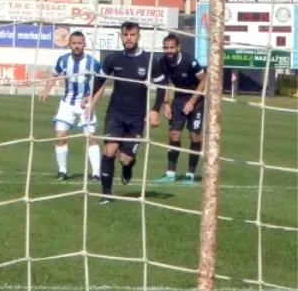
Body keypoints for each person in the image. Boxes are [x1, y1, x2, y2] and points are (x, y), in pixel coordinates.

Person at [87, 21, 167, 204]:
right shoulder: (113, 59)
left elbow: (162, 85)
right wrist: (89, 97)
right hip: (115, 112)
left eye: (132, 35)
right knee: (110, 150)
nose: (129, 38)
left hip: (137, 117)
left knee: (125, 158)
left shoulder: (149, 60)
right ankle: (106, 194)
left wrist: (156, 110)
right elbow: (100, 79)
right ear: (121, 36)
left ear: (138, 37)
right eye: (126, 35)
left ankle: (128, 166)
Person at [39, 30, 102, 180]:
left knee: (90, 137)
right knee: (60, 136)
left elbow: (101, 86)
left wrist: (91, 103)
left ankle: (96, 173)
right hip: (67, 103)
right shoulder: (63, 60)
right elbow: (53, 76)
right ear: (69, 44)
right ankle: (62, 171)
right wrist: (46, 90)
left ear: (85, 44)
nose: (77, 46)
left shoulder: (93, 63)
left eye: (80, 43)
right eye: (74, 43)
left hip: (85, 104)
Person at [153, 33, 205, 184]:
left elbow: (204, 80)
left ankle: (190, 174)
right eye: (166, 48)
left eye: (171, 48)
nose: (168, 51)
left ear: (178, 48)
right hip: (179, 99)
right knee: (174, 134)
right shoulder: (162, 62)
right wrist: (166, 104)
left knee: (194, 136)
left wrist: (192, 101)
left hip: (197, 99)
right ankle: (170, 173)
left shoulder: (189, 60)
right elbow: (164, 84)